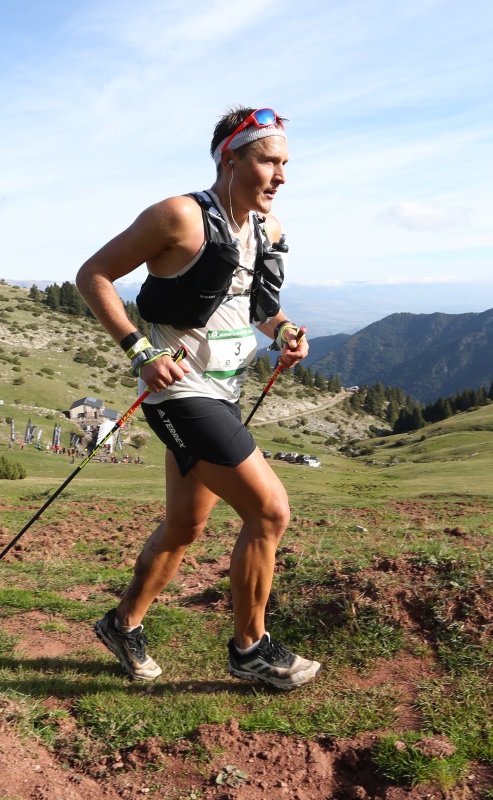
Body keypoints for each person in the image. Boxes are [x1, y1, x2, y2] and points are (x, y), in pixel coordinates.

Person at [76, 106, 318, 691]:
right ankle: (250, 649)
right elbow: (93, 275)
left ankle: (121, 623)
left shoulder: (269, 229)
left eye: (285, 163)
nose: (280, 175)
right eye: (267, 160)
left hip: (225, 391)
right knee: (269, 510)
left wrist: (284, 333)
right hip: (180, 393)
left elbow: (257, 306)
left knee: (185, 524)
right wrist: (139, 351)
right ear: (229, 159)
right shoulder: (178, 216)